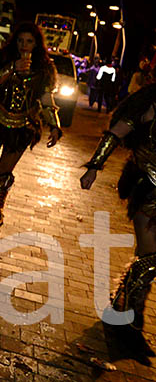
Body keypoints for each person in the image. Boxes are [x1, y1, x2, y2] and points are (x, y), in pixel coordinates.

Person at [0, 21, 63, 236]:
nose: (24, 45)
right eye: (21, 40)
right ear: (15, 41)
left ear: (37, 44)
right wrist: (11, 68)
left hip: (23, 125)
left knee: (4, 174)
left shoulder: (44, 68)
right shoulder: (1, 59)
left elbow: (46, 98)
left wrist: (55, 125)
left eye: (29, 42)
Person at [80, 84, 156, 351]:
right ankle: (130, 321)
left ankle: (122, 306)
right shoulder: (149, 104)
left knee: (149, 259)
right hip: (148, 187)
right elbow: (114, 134)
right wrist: (94, 167)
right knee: (150, 258)